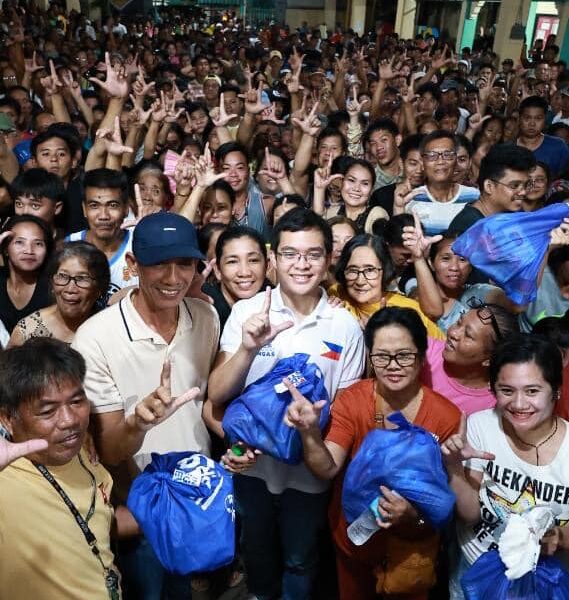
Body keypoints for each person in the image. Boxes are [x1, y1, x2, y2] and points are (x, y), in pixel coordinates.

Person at [208, 207, 366, 600]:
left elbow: (345, 411)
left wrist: (314, 429)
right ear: (274, 259)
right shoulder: (249, 311)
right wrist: (247, 348)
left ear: (329, 260)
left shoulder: (344, 325)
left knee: (301, 561)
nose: (301, 264)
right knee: (256, 556)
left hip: (308, 477)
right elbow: (216, 395)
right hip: (252, 470)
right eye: (290, 254)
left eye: (313, 254)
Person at [72, 211, 220, 599]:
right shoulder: (96, 338)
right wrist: (138, 423)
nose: (174, 278)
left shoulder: (205, 316)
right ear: (134, 265)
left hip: (197, 495)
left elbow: (208, 402)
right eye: (159, 264)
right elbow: (109, 449)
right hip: (141, 507)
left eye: (184, 263)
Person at [285, 307, 461, 599]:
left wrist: (412, 514)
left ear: (421, 354)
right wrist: (309, 432)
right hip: (355, 544)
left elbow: (447, 505)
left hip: (412, 553)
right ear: (370, 357)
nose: (393, 365)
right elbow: (327, 468)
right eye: (382, 356)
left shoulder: (446, 417)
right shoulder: (354, 400)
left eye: (404, 355)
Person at [442, 335, 569, 600]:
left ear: (555, 390)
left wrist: (559, 537)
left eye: (533, 391)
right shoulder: (481, 426)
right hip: (475, 569)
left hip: (545, 582)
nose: (519, 404)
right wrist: (453, 466)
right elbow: (470, 515)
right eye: (507, 390)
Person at [0, 337, 121, 599]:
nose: (69, 421)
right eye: (47, 411)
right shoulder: (4, 481)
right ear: (8, 419)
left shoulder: (85, 455)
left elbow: (96, 522)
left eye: (76, 402)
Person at [329, 233, 444, 337]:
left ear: (385, 271)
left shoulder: (406, 311)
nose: (360, 281)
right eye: (352, 270)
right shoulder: (336, 295)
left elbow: (439, 354)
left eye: (370, 270)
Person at [421, 303, 519, 415]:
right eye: (458, 323)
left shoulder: (491, 408)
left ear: (490, 360)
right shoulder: (423, 351)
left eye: (468, 335)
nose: (453, 333)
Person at [9, 242, 109, 345]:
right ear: (52, 283)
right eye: (63, 276)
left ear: (99, 289)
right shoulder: (28, 331)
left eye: (82, 278)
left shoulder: (112, 329)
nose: (70, 289)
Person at [66, 168, 137, 300]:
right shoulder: (67, 247)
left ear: (126, 208)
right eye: (94, 205)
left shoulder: (139, 246)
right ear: (84, 209)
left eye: (113, 205)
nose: (103, 216)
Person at [447, 143, 536, 235]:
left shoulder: (513, 215)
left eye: (526, 185)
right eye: (514, 186)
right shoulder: (469, 226)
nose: (523, 192)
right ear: (489, 186)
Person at [402, 131, 479, 236]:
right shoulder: (411, 199)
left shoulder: (474, 196)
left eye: (447, 155)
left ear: (455, 161)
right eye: (432, 156)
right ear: (423, 163)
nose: (440, 161)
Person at [203, 226, 269, 330]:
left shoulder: (278, 303)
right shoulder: (204, 305)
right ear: (217, 270)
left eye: (253, 260)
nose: (244, 272)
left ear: (266, 266)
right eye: (232, 261)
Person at [0, 215, 53, 333]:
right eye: (19, 242)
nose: (29, 251)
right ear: (5, 249)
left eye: (38, 244)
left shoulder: (54, 287)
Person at [516, 95, 569, 179]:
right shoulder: (508, 148)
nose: (532, 124)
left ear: (545, 119)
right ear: (519, 119)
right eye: (527, 117)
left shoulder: (559, 147)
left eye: (538, 118)